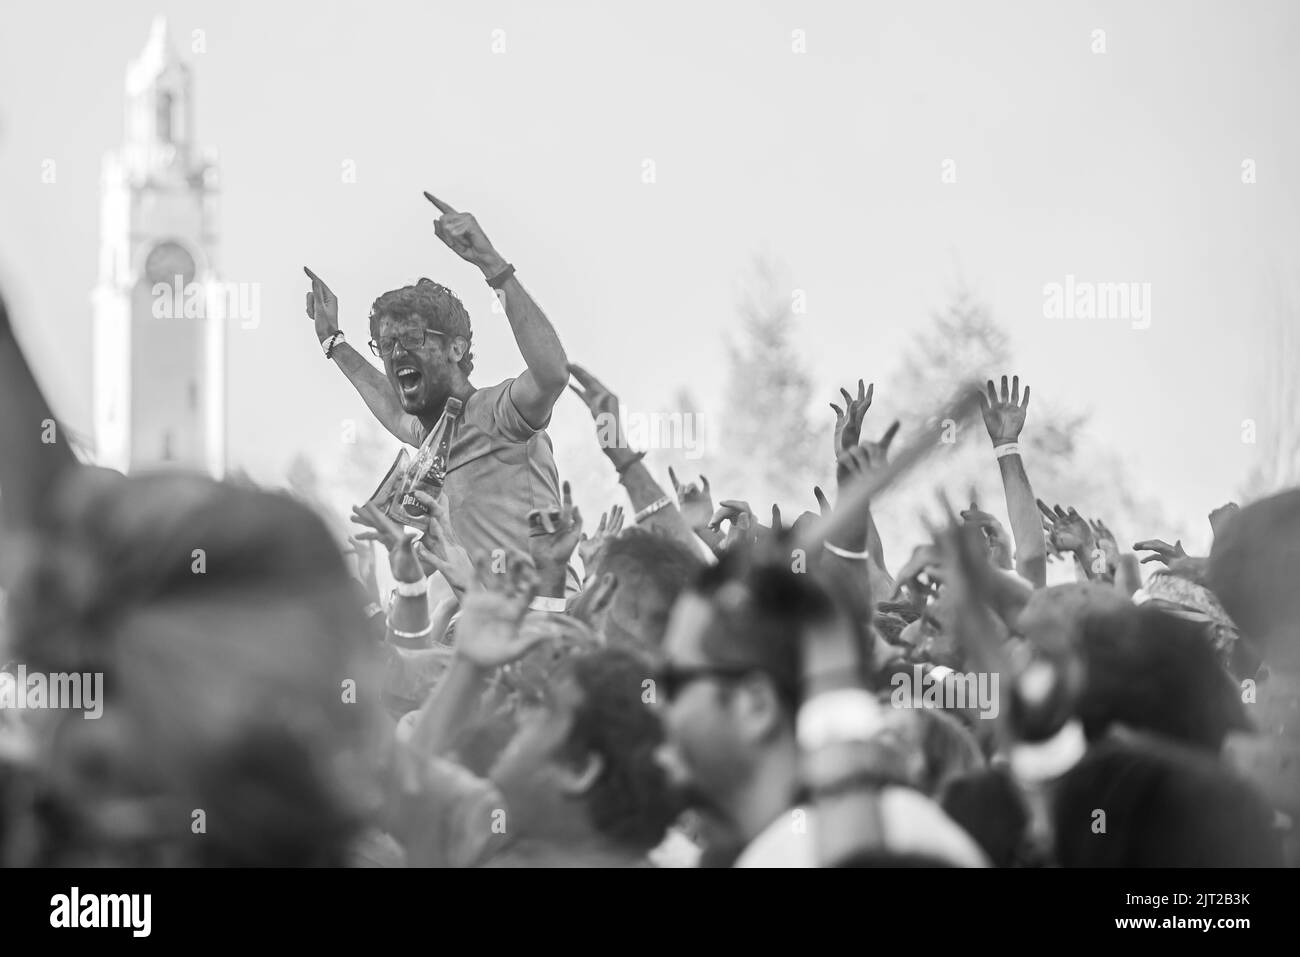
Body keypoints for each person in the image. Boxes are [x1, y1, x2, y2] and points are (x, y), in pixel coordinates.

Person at [655, 554, 988, 867]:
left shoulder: (896, 844)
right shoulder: (755, 850)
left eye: (672, 682)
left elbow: (987, 700)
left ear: (756, 704)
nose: (656, 702)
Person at [303, 193, 569, 568]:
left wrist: (491, 263)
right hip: (478, 620)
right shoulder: (429, 440)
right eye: (386, 344)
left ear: (456, 349)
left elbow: (551, 374)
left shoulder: (499, 414)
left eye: (412, 339)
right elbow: (393, 408)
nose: (396, 355)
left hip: (545, 616)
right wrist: (333, 341)